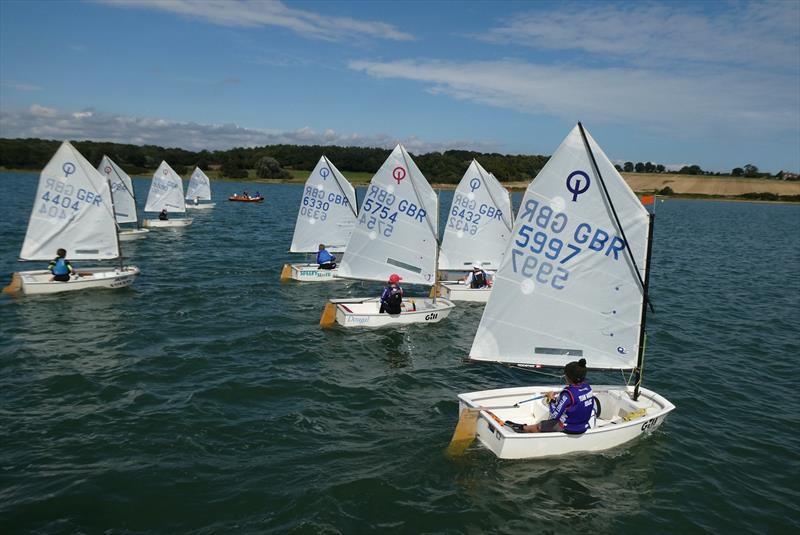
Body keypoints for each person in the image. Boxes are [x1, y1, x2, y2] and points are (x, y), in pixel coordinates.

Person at [506, 358, 595, 435]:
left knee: (540, 426)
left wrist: (551, 400)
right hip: (583, 426)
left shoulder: (567, 394)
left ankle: (523, 429)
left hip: (569, 428)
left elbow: (554, 416)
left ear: (568, 377)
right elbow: (577, 402)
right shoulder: (588, 387)